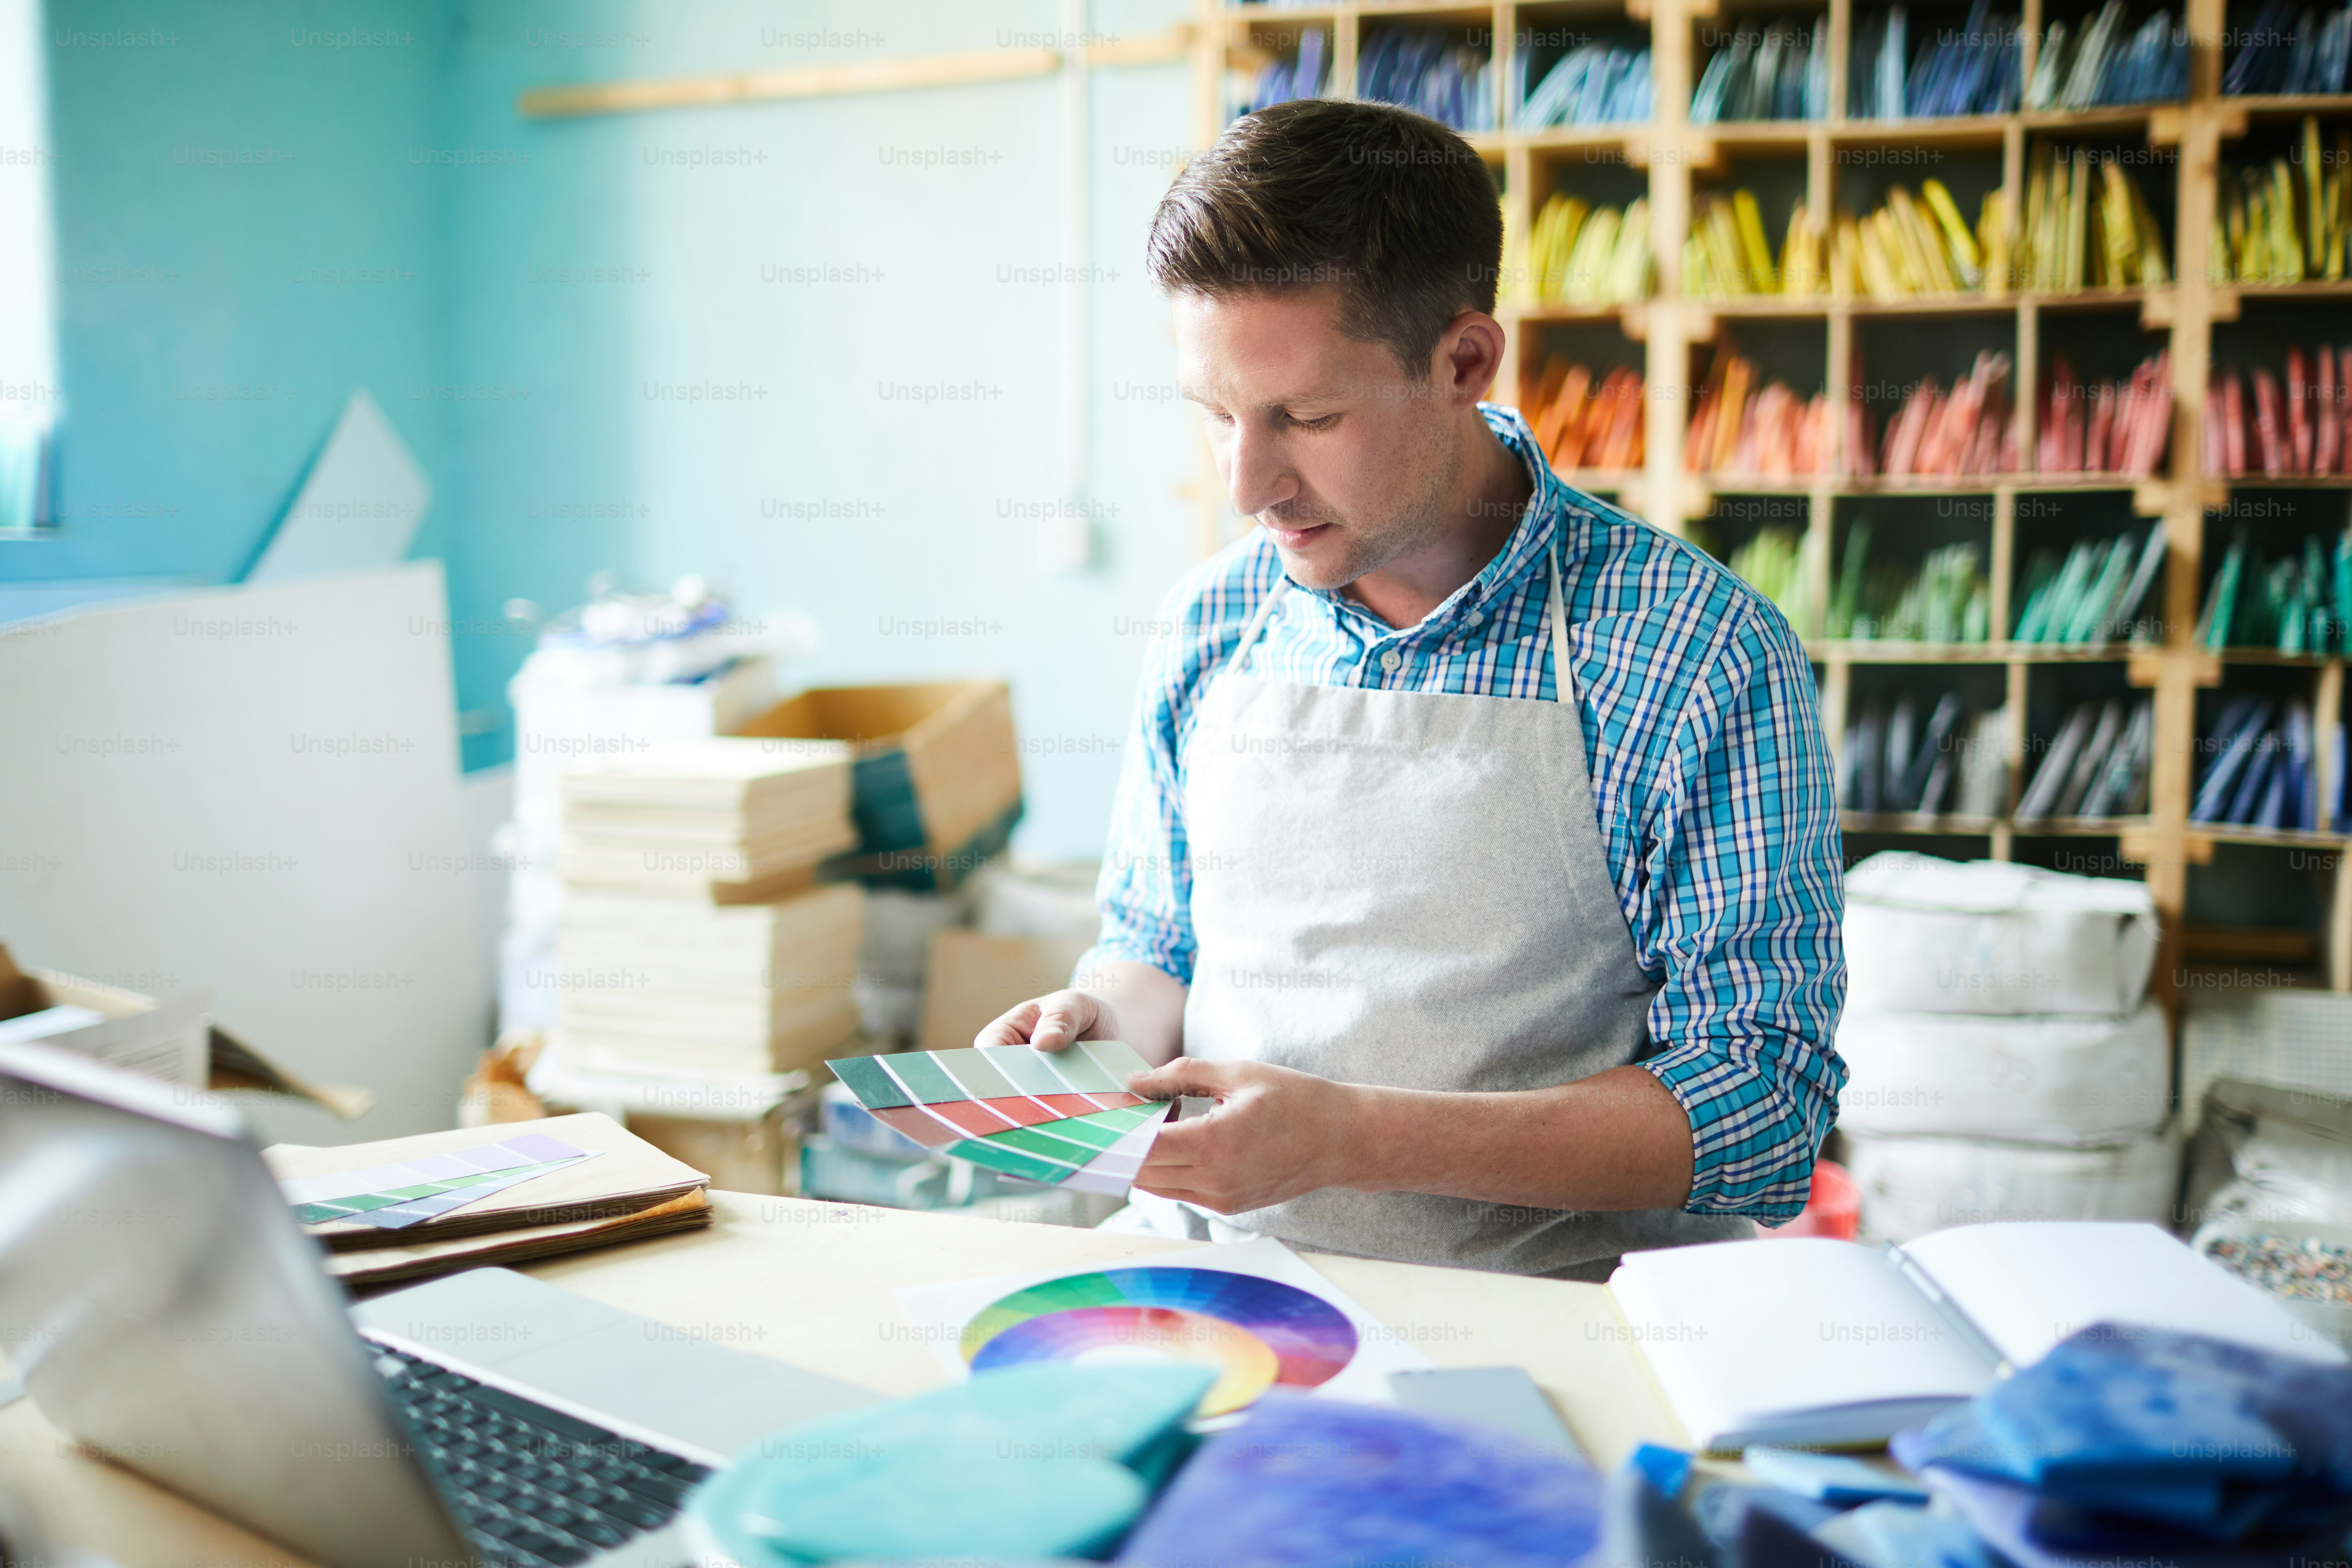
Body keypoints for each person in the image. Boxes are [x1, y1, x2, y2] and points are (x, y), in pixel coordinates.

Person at [979, 97, 1847, 1280]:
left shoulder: (1694, 656)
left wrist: (1352, 1138)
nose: (1248, 485)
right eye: (1218, 416)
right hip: (1223, 1285)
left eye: (1307, 416)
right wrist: (1095, 1027)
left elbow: (1764, 1110)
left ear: (1464, 363)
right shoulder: (1209, 625)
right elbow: (1156, 949)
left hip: (1557, 1316)